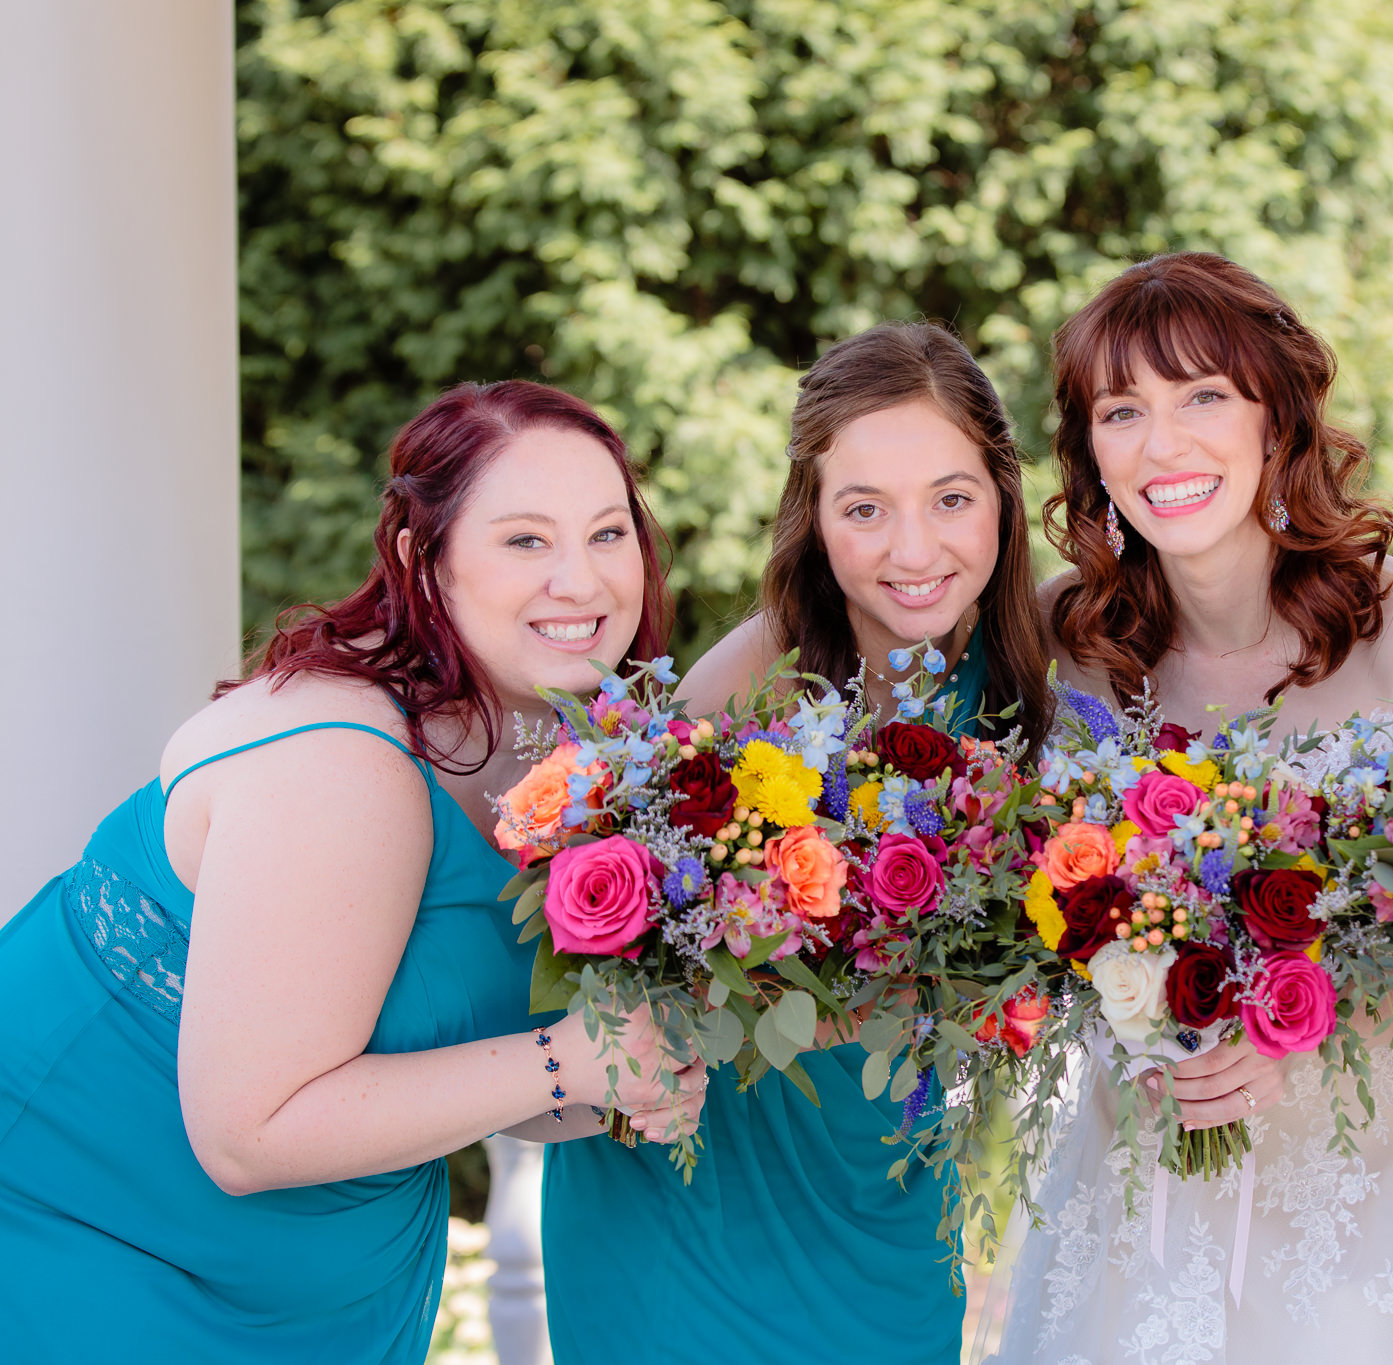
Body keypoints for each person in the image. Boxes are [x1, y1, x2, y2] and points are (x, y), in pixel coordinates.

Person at [983, 253, 1393, 1364]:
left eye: (1202, 397)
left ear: (1276, 422)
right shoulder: (1055, 648)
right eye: (1121, 411)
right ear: (1089, 451)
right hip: (1150, 1200)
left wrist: (1309, 1028)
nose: (1162, 446)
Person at [0, 381, 704, 1360]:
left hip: (328, 1297)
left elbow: (455, 1052)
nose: (581, 582)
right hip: (91, 1258)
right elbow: (249, 1134)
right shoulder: (341, 765)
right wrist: (575, 1059)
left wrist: (625, 1081)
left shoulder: (563, 749)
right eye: (526, 541)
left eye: (607, 534)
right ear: (427, 560)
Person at [542, 322, 1054, 1365]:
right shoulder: (746, 685)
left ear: (1002, 497)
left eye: (951, 499)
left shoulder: (1024, 689)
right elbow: (630, 968)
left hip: (888, 1188)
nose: (914, 551)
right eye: (864, 510)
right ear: (814, 520)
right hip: (695, 1197)